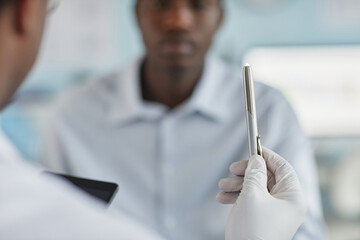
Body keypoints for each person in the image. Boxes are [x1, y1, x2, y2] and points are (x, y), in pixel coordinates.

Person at [0, 0, 307, 239]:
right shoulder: (72, 114)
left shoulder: (270, 113)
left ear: (220, 18)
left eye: (198, 5)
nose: (178, 21)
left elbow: (305, 232)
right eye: (160, 4)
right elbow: (50, 221)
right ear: (137, 15)